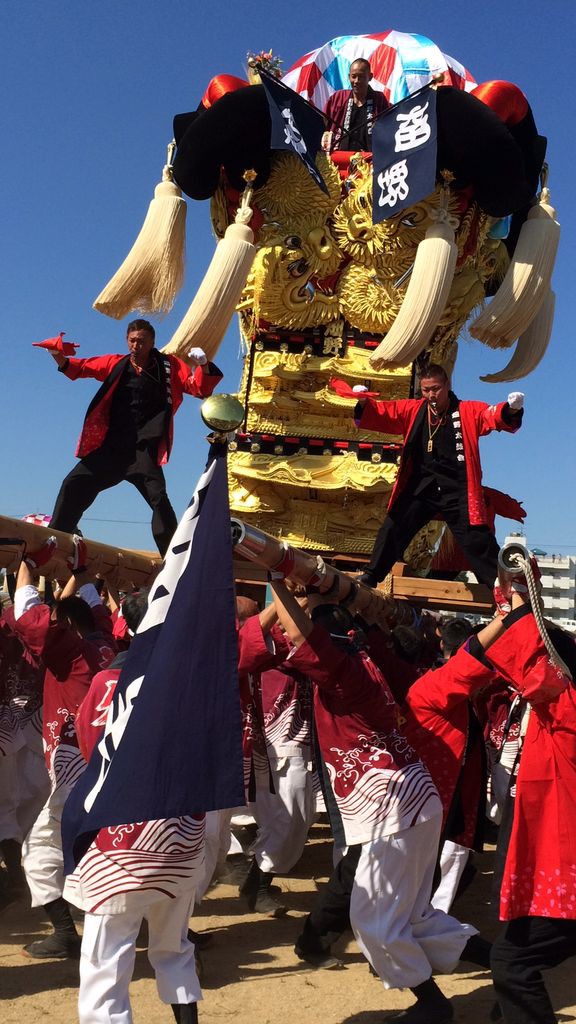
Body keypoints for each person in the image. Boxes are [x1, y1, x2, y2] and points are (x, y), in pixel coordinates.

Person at [270, 577, 477, 1024]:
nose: (290, 640)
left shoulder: (343, 673)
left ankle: (432, 1006)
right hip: (414, 800)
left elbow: (301, 634)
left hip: (391, 808)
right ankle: (507, 963)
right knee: (414, 914)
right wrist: (316, 593)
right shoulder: (366, 660)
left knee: (372, 920)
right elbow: (302, 636)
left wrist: (278, 582)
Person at [64, 588, 204, 1024]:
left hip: (121, 832)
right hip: (182, 831)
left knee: (106, 955)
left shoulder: (108, 681)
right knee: (174, 943)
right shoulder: (192, 676)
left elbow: (90, 749)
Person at [11, 536, 116, 958]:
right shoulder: (108, 645)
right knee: (102, 848)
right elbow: (91, 612)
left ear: (65, 629)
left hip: (76, 775)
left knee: (39, 853)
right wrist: (81, 573)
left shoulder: (72, 655)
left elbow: (27, 616)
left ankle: (66, 933)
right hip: (109, 767)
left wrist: (28, 564)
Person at [46, 319, 223, 555]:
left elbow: (198, 389)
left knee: (159, 499)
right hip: (111, 449)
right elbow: (78, 368)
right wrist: (57, 354)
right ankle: (56, 540)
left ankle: (173, 557)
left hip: (144, 452)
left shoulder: (169, 366)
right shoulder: (116, 363)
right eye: (132, 340)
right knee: (74, 483)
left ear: (152, 342)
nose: (136, 345)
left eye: (141, 341)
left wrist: (203, 365)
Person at [354, 363, 524, 588]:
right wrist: (365, 403)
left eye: (435, 389)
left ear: (447, 386)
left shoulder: (467, 410)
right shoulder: (413, 410)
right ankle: (371, 575)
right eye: (426, 390)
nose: (431, 395)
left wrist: (510, 410)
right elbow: (385, 412)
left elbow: (490, 416)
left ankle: (502, 588)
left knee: (477, 538)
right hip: (420, 486)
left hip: (457, 488)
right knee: (394, 526)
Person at [323, 57, 389, 153]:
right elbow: (323, 122)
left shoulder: (379, 99)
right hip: (339, 161)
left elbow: (390, 126)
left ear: (370, 77)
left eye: (361, 77)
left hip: (370, 161)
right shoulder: (338, 98)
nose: (356, 81)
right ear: (349, 76)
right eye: (353, 76)